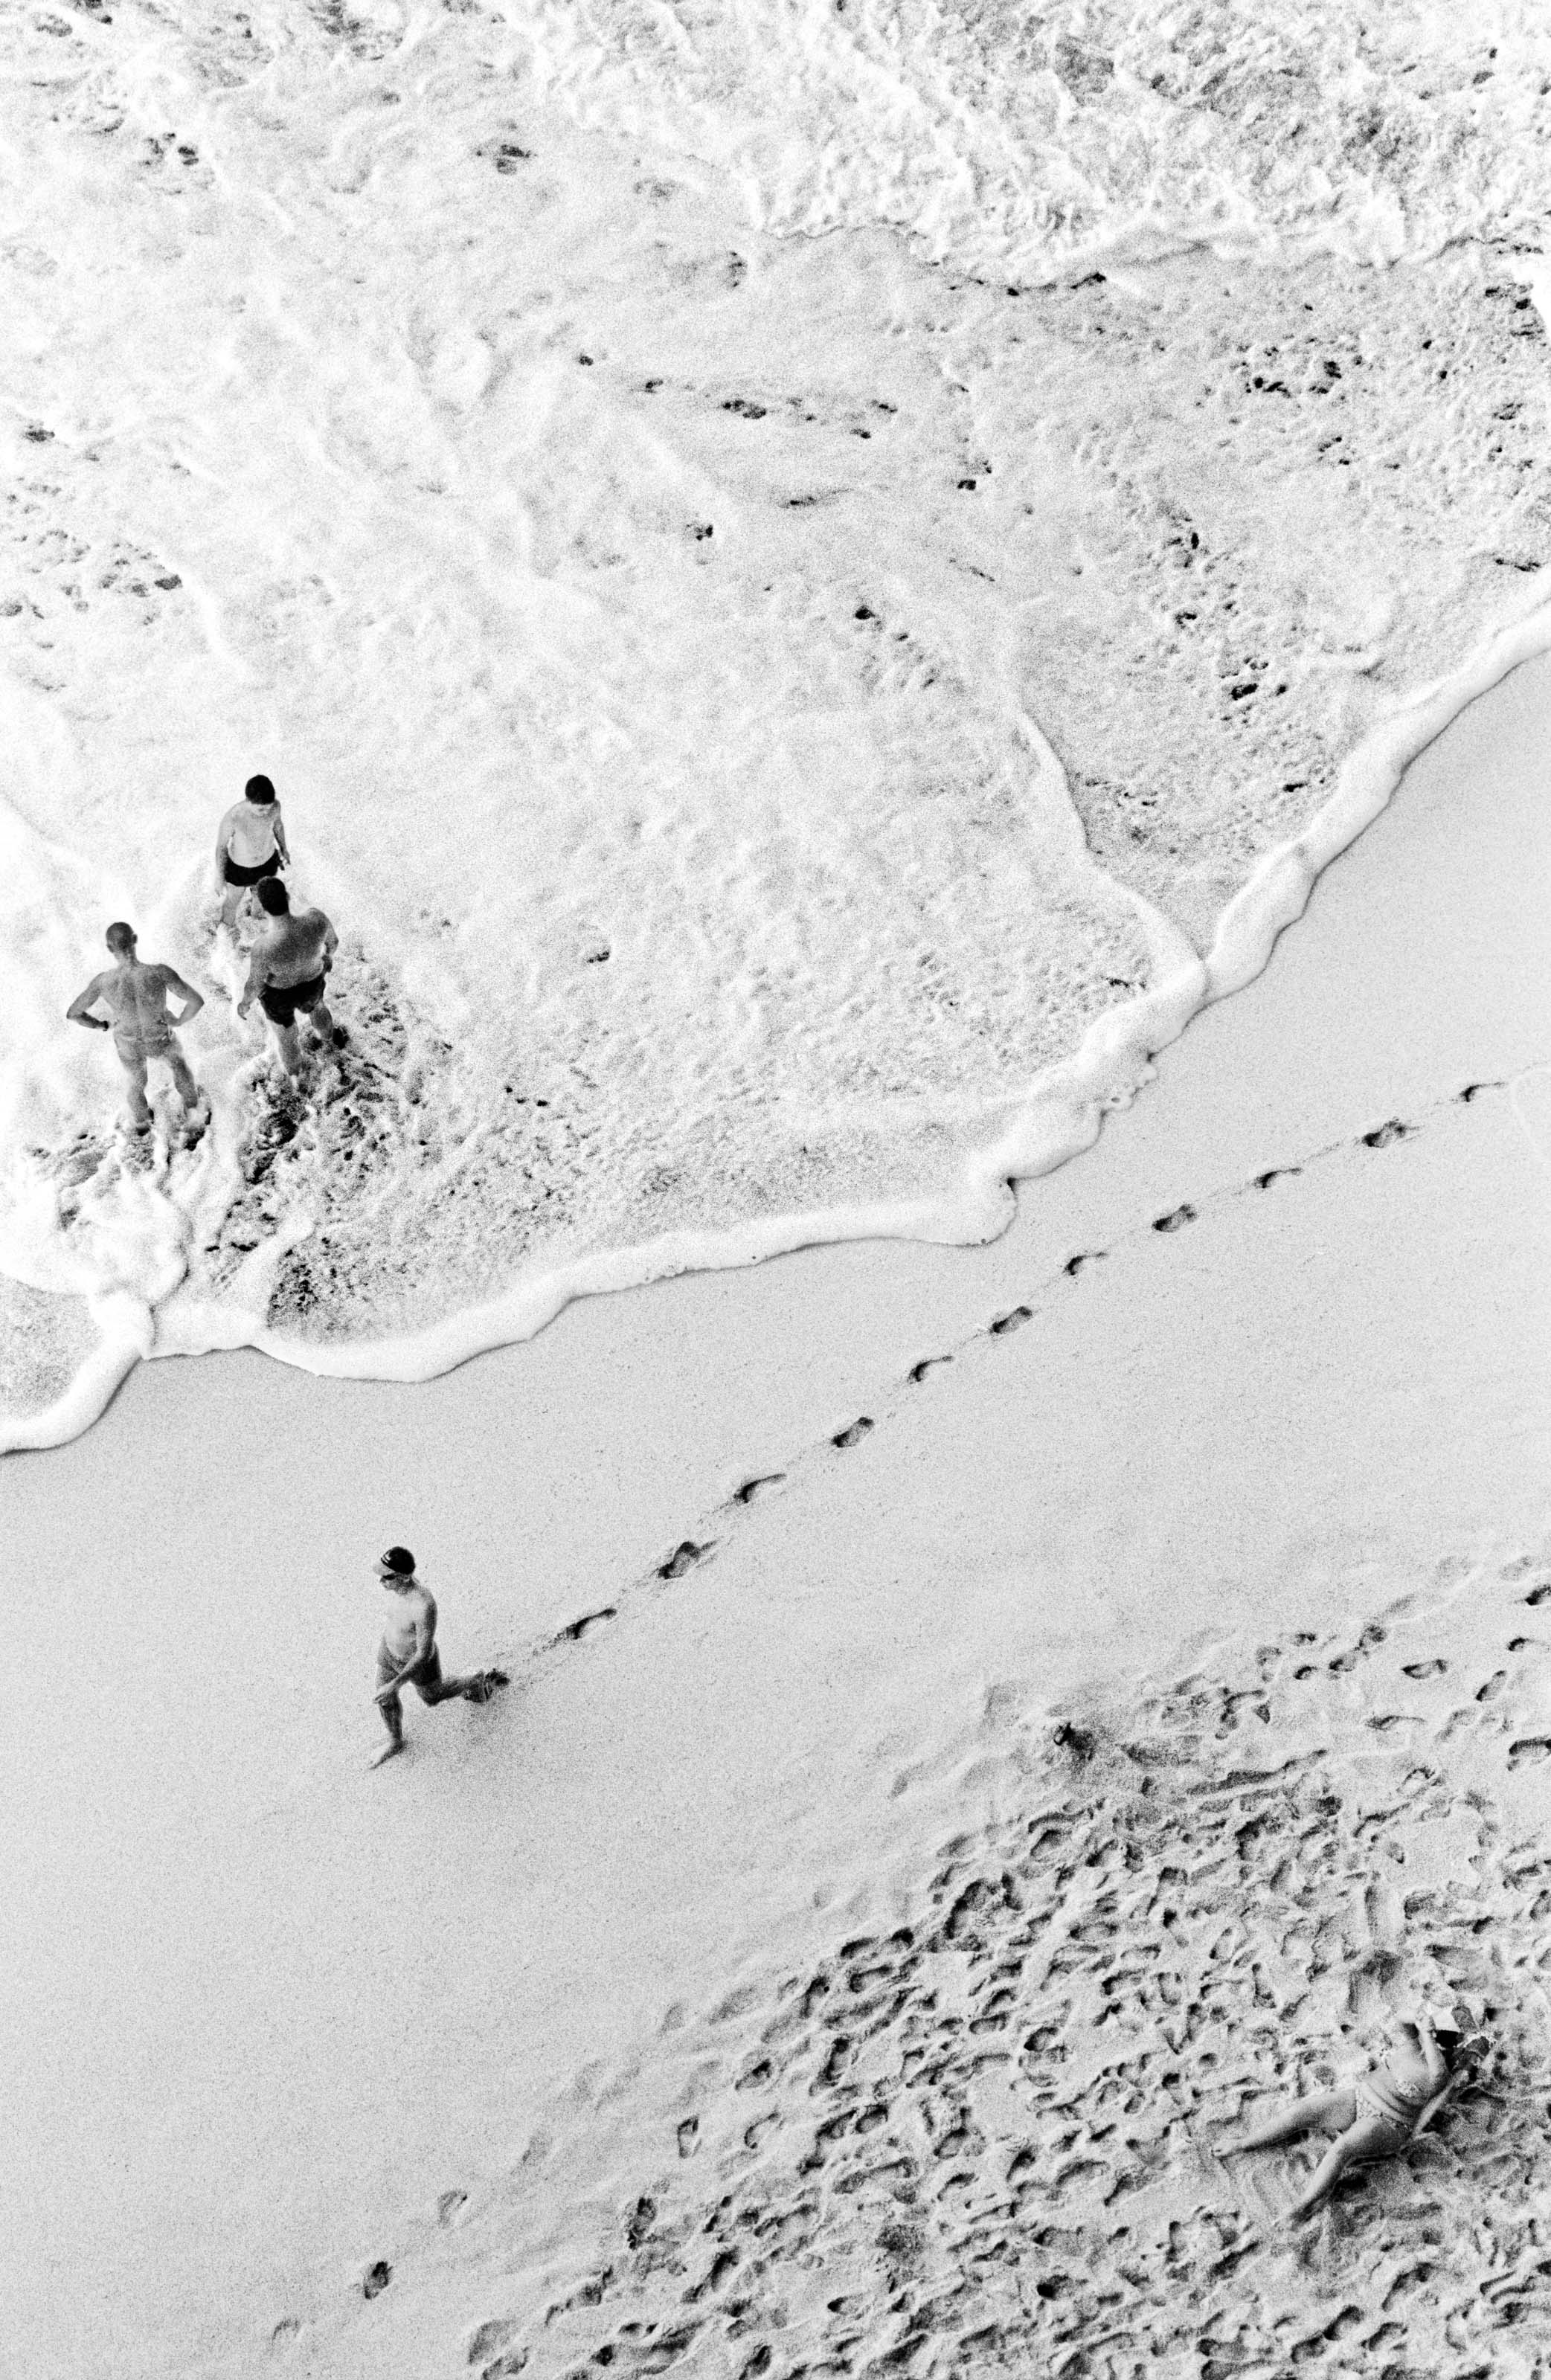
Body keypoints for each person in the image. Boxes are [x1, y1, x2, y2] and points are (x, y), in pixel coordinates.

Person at [1231, 2010, 1461, 2217]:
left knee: (1341, 2149)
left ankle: (1305, 2203)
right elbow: (1401, 2018)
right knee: (1301, 2113)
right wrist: (1419, 2018)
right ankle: (1245, 2143)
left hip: (1389, 2122)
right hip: (1359, 2098)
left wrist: (1429, 2037)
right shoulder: (1414, 2045)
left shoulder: (1442, 2074)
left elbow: (1436, 2073)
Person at [66, 922, 208, 1136]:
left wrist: (102, 1025)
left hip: (129, 1043)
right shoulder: (159, 973)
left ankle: (142, 1124)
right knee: (179, 1066)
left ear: (110, 949)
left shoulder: (103, 981)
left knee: (135, 1082)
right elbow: (196, 1001)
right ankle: (194, 1116)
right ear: (135, 939)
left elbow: (74, 1014)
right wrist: (178, 1021)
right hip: (159, 1037)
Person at [370, 1546, 507, 1767]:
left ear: (405, 1578)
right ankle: (395, 1741)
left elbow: (423, 1653)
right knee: (384, 1697)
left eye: (387, 1577)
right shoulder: (396, 1590)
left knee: (432, 1697)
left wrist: (395, 1684)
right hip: (388, 1653)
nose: (381, 1582)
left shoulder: (424, 1605)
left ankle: (475, 1679)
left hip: (419, 1664)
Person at [237, 877, 342, 1077]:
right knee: (318, 1007)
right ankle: (329, 1041)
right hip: (312, 982)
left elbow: (255, 984)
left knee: (287, 1039)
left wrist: (245, 1003)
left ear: (262, 909)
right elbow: (333, 942)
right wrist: (327, 957)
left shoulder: (264, 947)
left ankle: (297, 1079)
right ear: (287, 896)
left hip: (279, 996)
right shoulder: (316, 919)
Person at [215, 774, 290, 930]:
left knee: (261, 902)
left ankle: (253, 934)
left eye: (268, 808)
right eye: (261, 809)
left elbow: (278, 826)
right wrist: (219, 876)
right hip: (239, 869)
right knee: (231, 904)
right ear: (249, 801)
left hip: (267, 863)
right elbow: (221, 847)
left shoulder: (275, 807)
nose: (265, 813)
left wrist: (284, 849)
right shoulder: (234, 817)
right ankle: (222, 938)